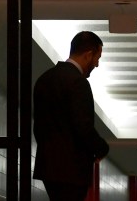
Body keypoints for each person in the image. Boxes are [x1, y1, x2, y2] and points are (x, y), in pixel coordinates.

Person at [33, 31, 110, 201]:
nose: (97, 64)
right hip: (72, 170)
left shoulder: (44, 79)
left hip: (48, 167)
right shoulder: (78, 82)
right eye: (97, 58)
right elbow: (83, 125)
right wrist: (101, 148)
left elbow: (38, 125)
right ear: (88, 55)